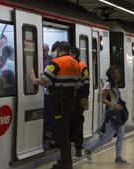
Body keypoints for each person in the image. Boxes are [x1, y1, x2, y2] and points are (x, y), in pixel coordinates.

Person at [31, 41, 81, 169]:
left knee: (61, 134)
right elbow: (78, 84)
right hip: (70, 103)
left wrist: (33, 78)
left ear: (58, 50)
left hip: (59, 104)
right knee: (65, 132)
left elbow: (43, 80)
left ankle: (65, 164)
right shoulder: (76, 64)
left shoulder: (56, 63)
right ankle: (64, 162)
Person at [84, 65, 129, 165]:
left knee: (121, 134)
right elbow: (103, 98)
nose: (119, 74)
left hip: (116, 114)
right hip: (110, 115)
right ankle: (89, 149)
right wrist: (114, 105)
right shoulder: (108, 84)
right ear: (112, 74)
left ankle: (118, 157)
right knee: (108, 138)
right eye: (117, 72)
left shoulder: (115, 85)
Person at [70, 46, 89, 157]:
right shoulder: (70, 65)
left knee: (77, 123)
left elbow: (86, 84)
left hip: (78, 99)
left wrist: (84, 98)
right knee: (73, 123)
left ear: (74, 55)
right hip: (71, 99)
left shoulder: (82, 66)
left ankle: (78, 147)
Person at [42, 43, 55, 149]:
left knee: (49, 116)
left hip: (49, 92)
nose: (44, 52)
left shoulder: (52, 61)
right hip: (42, 92)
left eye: (45, 50)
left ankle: (49, 136)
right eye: (42, 50)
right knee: (46, 115)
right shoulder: (37, 58)